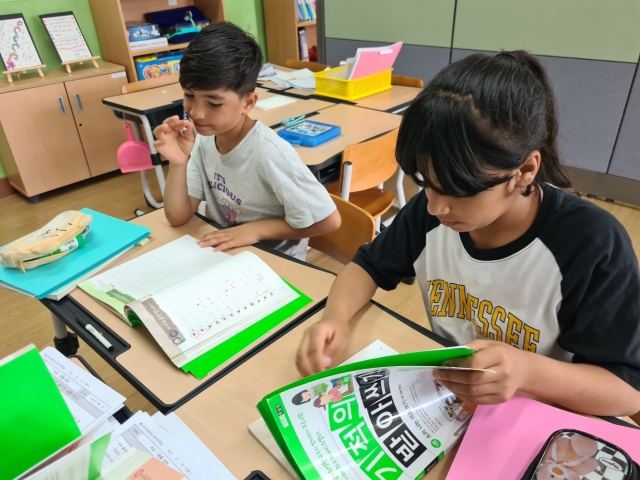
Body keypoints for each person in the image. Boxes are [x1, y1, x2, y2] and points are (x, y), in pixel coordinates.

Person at [296, 51, 640, 417]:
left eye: (459, 191)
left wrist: (526, 370)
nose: (435, 207)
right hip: (447, 402)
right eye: (426, 184)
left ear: (525, 169)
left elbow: (627, 390)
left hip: (532, 412)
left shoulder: (590, 243)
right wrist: (334, 318)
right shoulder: (432, 215)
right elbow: (367, 267)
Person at [153, 22, 340, 260]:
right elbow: (177, 217)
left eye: (214, 103)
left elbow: (329, 220)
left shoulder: (268, 153)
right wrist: (178, 163)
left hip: (276, 264)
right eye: (189, 96)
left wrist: (255, 230)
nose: (197, 113)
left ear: (248, 103)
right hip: (228, 254)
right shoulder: (204, 138)